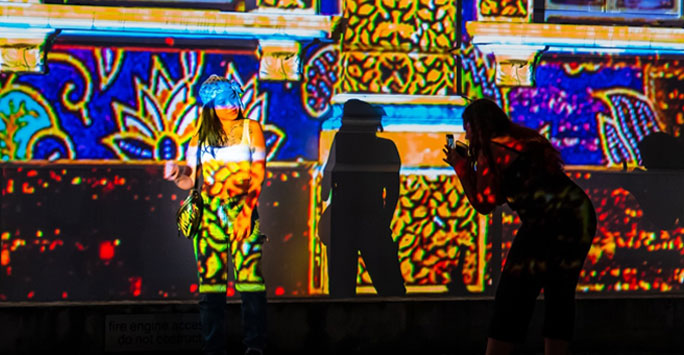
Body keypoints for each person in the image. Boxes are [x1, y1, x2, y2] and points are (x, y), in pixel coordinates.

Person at [443, 99, 596, 355]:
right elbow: (508, 191)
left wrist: (461, 168)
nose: (466, 134)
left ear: (476, 126)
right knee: (559, 291)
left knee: (513, 294)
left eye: (466, 127)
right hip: (578, 215)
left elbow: (485, 203)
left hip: (546, 222)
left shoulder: (491, 149)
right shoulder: (523, 140)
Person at [164, 74, 268, 355]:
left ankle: (255, 346)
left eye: (234, 97)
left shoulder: (251, 129)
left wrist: (247, 212)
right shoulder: (200, 137)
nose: (232, 105)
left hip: (241, 208)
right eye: (223, 102)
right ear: (210, 106)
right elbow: (191, 180)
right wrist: (177, 175)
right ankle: (213, 348)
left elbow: (257, 175)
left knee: (251, 282)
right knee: (211, 286)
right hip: (209, 213)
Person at [319, 99, 406, 298]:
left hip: (343, 223)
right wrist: (383, 223)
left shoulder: (340, 142)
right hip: (371, 221)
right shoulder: (386, 148)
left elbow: (326, 183)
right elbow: (392, 193)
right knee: (391, 290)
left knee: (342, 291)